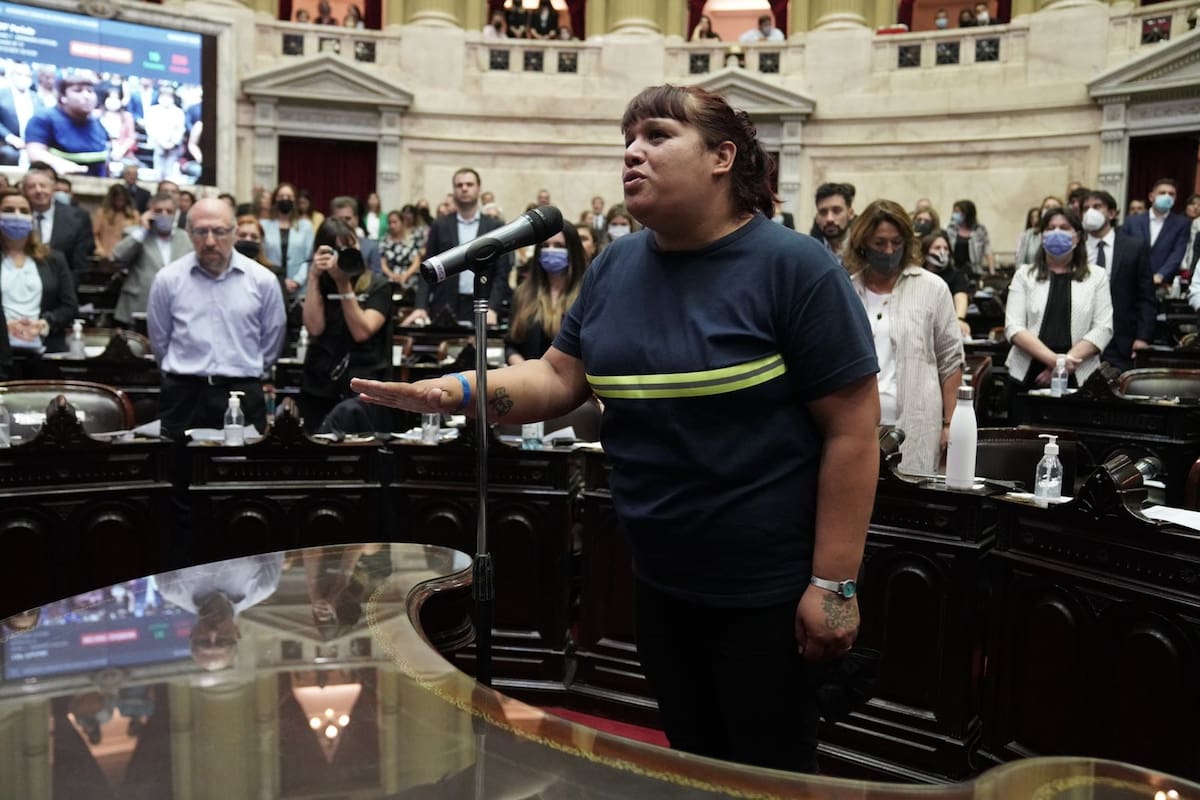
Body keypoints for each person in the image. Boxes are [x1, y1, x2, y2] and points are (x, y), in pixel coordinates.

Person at [352, 83, 879, 774]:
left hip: (765, 590)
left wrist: (834, 585)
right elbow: (559, 377)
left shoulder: (795, 268)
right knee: (693, 765)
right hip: (659, 577)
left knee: (767, 775)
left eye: (657, 136)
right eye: (627, 140)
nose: (632, 151)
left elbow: (853, 431)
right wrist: (452, 392)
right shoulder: (617, 266)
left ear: (723, 156)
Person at [147, 198, 287, 437]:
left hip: (241, 392)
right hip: (184, 394)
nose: (210, 241)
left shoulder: (262, 281)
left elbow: (272, 340)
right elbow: (160, 341)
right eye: (201, 232)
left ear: (234, 233)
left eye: (219, 232)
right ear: (189, 233)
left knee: (241, 471)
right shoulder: (168, 280)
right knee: (175, 470)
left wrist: (245, 366)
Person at [847, 201, 963, 475]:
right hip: (856, 425)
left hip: (915, 423)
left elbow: (951, 361)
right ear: (863, 243)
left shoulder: (932, 288)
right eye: (880, 243)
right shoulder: (847, 289)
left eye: (896, 243)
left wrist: (950, 424)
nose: (889, 251)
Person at [299, 218, 393, 431]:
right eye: (336, 249)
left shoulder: (378, 285)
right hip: (320, 384)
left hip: (363, 387)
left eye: (351, 246)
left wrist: (343, 284)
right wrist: (313, 276)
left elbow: (362, 331)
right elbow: (314, 328)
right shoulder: (320, 284)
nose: (344, 254)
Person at [1005, 208, 1113, 392]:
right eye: (1051, 227)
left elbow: (1103, 328)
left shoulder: (1097, 276)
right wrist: (1056, 362)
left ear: (1077, 237)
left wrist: (1062, 365)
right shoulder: (1024, 275)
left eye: (1064, 227)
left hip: (1079, 373)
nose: (1056, 232)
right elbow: (1014, 327)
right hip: (1028, 373)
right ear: (1042, 236)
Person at [404, 168, 511, 326]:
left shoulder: (494, 226)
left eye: (469, 184)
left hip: (482, 305)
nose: (464, 188)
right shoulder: (440, 225)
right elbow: (427, 268)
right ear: (454, 190)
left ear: (479, 188)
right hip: (445, 304)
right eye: (459, 185)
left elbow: (501, 274)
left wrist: (492, 307)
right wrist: (420, 306)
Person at [156, 553, 283, 671]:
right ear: (237, 634)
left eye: (203, 642)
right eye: (223, 640)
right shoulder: (264, 586)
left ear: (192, 634)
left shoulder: (171, 589)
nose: (213, 632)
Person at [1081, 190, 1155, 372]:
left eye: (1097, 207)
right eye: (1086, 208)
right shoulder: (1076, 248)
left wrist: (1142, 338)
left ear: (1112, 213)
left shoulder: (1134, 247)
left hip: (1121, 342)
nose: (1090, 212)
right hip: (1080, 340)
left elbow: (1146, 296)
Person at [0, 187, 75, 354]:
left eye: (24, 211)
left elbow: (69, 306)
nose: (17, 215)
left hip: (43, 347)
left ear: (31, 218)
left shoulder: (54, 259)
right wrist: (4, 327)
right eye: (8, 210)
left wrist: (44, 324)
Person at [505, 224, 586, 365]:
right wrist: (524, 369)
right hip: (527, 379)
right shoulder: (523, 293)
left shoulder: (586, 294)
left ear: (572, 250)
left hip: (570, 381)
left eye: (559, 245)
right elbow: (511, 345)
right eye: (545, 245)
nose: (551, 250)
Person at [111, 191, 194, 327]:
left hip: (176, 307)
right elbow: (117, 256)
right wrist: (143, 230)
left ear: (176, 213)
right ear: (150, 213)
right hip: (140, 305)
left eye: (169, 211)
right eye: (158, 211)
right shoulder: (135, 234)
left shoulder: (185, 238)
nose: (164, 215)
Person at [24, 69, 109, 177]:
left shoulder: (97, 123)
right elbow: (35, 153)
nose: (87, 96)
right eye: (78, 91)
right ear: (63, 97)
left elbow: (104, 161)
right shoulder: (43, 118)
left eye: (90, 91)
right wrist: (61, 165)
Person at [21, 162, 95, 278]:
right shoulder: (17, 216)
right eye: (32, 187)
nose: (38, 191)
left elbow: (79, 265)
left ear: (53, 188)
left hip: (60, 287)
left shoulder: (78, 218)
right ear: (24, 191)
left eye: (43, 185)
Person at [1120, 177, 1190, 286]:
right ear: (1151, 197)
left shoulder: (1182, 223)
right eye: (1162, 193)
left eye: (1171, 194)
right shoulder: (1132, 221)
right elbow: (1123, 250)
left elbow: (1177, 253)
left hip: (1162, 284)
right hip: (1131, 281)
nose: (1167, 196)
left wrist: (1161, 275)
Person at [260, 182, 314, 295]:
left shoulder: (306, 226)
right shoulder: (263, 225)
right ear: (275, 200)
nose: (285, 199)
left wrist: (297, 281)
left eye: (289, 197)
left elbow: (309, 258)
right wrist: (280, 281)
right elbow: (261, 257)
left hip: (298, 288)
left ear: (295, 201)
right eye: (281, 196)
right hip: (270, 285)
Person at [922, 230, 971, 337]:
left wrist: (960, 319)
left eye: (946, 248)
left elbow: (961, 298)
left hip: (947, 325)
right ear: (925, 252)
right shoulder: (918, 275)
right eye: (937, 248)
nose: (942, 251)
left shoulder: (956, 274)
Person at [945, 198, 994, 277]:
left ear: (967, 213)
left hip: (975, 271)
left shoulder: (980, 230)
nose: (955, 214)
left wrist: (992, 272)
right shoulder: (950, 229)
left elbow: (988, 251)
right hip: (954, 270)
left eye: (958, 212)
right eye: (954, 212)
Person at [91, 183, 139, 259]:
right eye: (117, 200)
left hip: (126, 256)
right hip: (106, 254)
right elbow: (94, 234)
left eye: (122, 200)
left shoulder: (134, 215)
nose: (120, 203)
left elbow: (137, 237)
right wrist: (99, 248)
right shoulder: (102, 213)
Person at [381, 205, 423, 287]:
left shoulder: (412, 239)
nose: (392, 226)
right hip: (390, 277)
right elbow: (383, 264)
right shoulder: (385, 240)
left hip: (410, 276)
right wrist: (392, 275)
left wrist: (406, 275)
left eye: (395, 222)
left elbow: (416, 262)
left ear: (402, 222)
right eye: (390, 223)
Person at [813, 182, 854, 262]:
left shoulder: (863, 251)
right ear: (817, 218)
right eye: (823, 212)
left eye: (836, 211)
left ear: (850, 214)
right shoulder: (810, 253)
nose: (829, 219)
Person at [97, 86, 137, 168]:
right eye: (110, 97)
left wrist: (121, 150)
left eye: (116, 98)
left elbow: (131, 137)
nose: (113, 100)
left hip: (122, 154)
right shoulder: (97, 115)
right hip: (100, 153)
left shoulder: (127, 116)